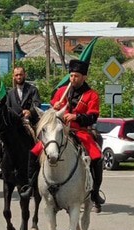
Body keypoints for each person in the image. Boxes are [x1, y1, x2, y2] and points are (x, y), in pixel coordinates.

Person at [24, 59, 105, 213]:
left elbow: (93, 117)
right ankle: (30, 185)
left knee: (96, 156)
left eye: (76, 76)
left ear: (84, 77)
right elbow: (51, 114)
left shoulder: (91, 95)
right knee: (34, 151)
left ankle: (94, 192)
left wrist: (77, 118)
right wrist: (54, 108)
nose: (72, 79)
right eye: (71, 75)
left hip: (79, 132)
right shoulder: (61, 92)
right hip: (58, 131)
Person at [0, 66, 42, 179]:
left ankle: (39, 163)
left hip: (29, 123)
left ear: (25, 75)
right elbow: (7, 109)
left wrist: (30, 111)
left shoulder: (32, 90)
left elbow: (37, 105)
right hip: (14, 125)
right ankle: (1, 165)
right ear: (13, 77)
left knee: (39, 139)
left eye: (21, 74)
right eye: (16, 75)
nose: (19, 77)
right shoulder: (9, 93)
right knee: (1, 142)